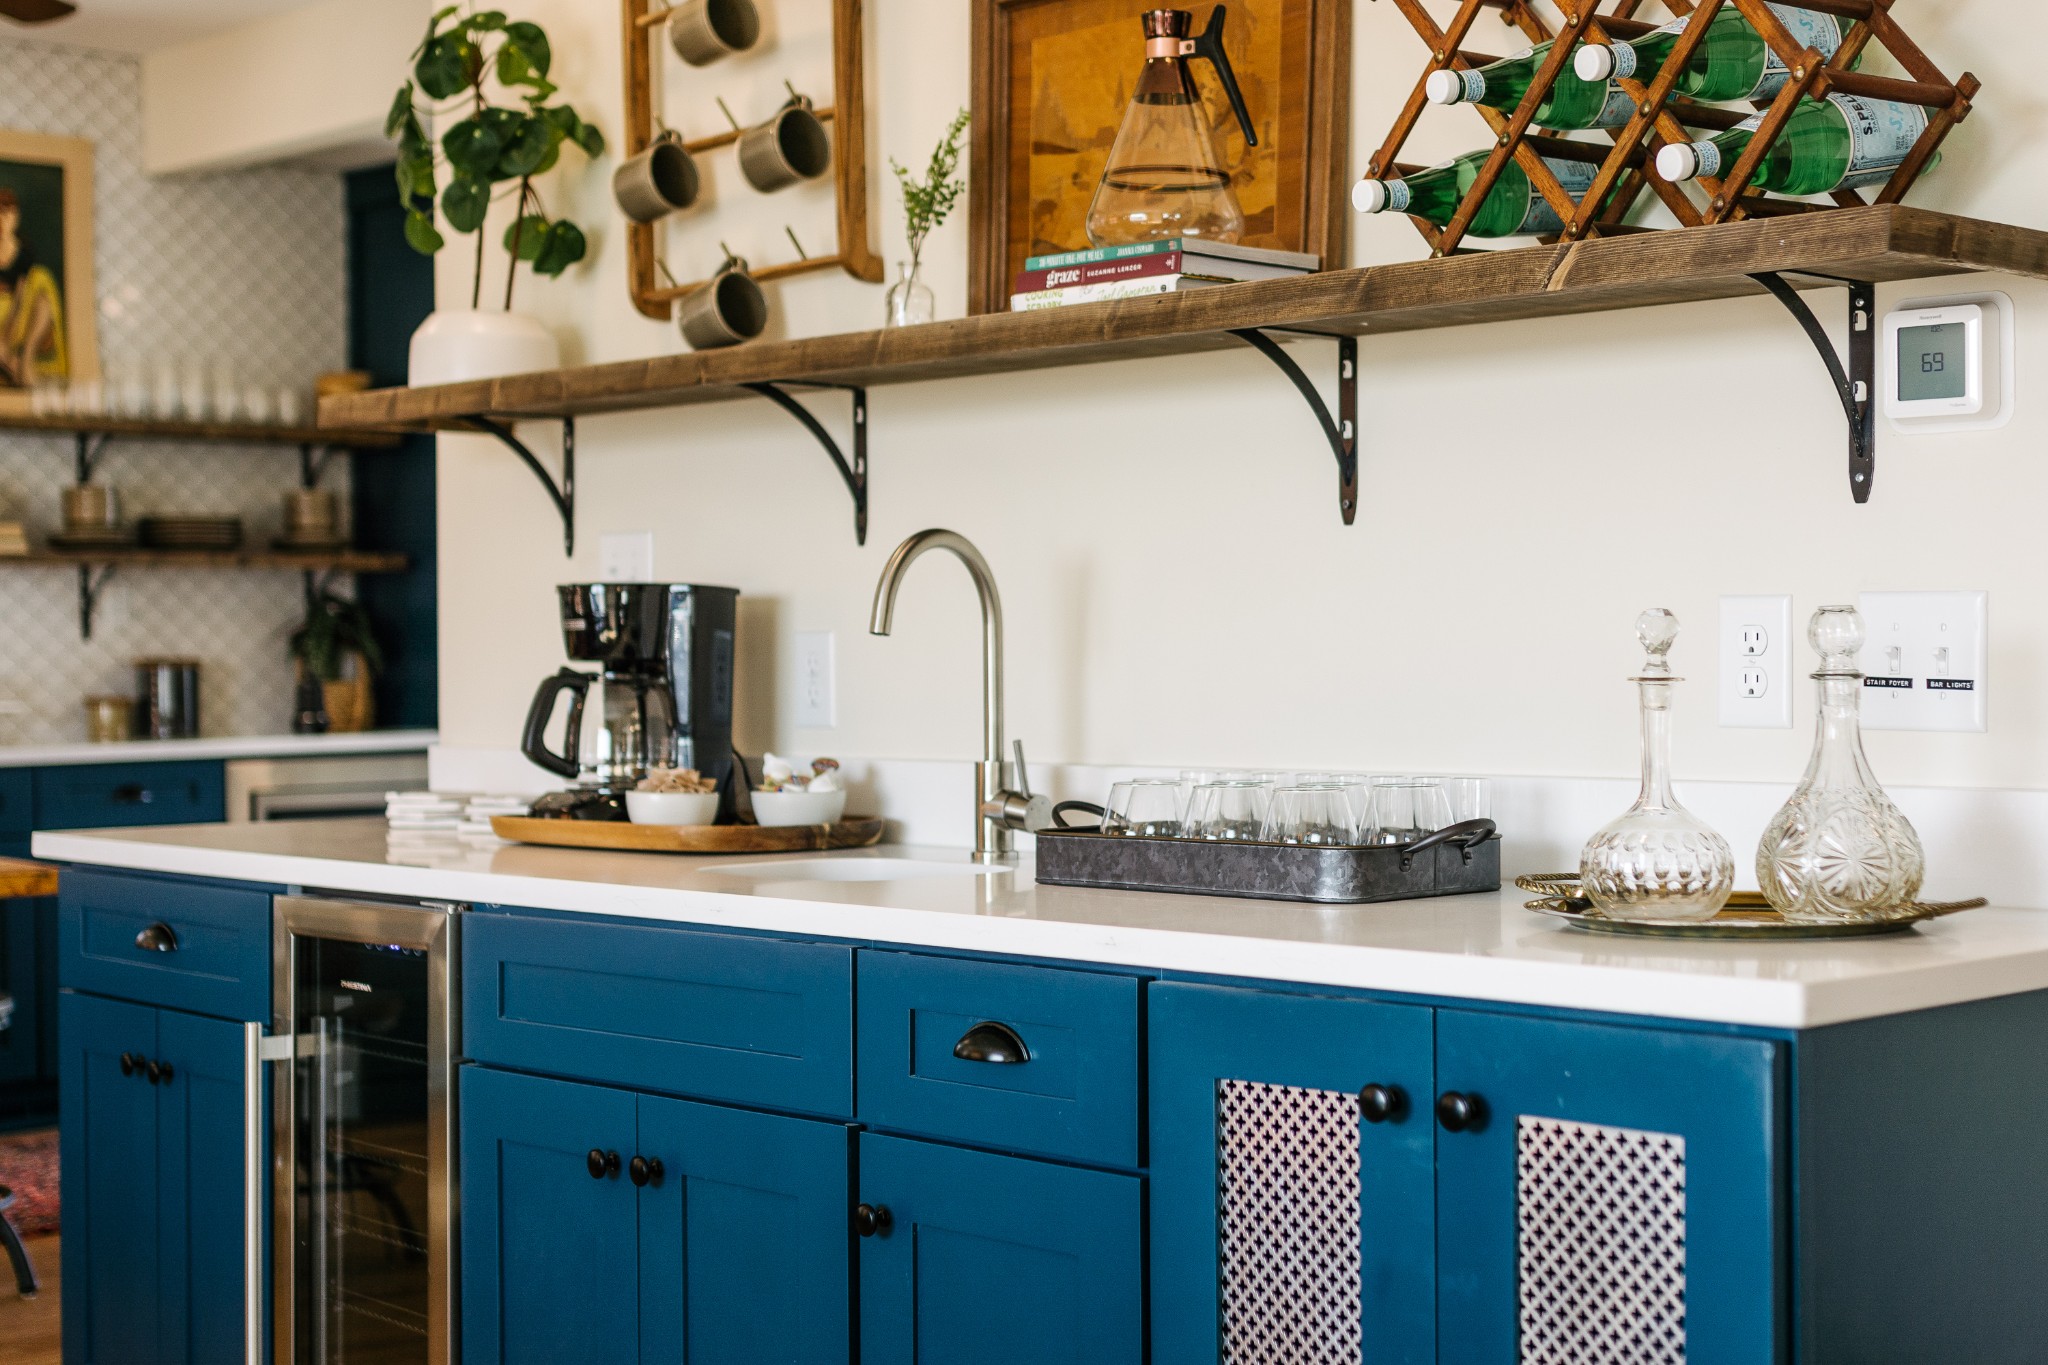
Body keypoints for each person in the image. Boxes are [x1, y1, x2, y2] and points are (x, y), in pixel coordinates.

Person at [0, 186, 67, 390]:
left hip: (17, 311)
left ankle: (24, 359)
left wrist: (7, 334)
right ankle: (11, 364)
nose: (3, 220)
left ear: (15, 216)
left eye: (7, 213)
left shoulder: (24, 251)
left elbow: (21, 295)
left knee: (41, 288)